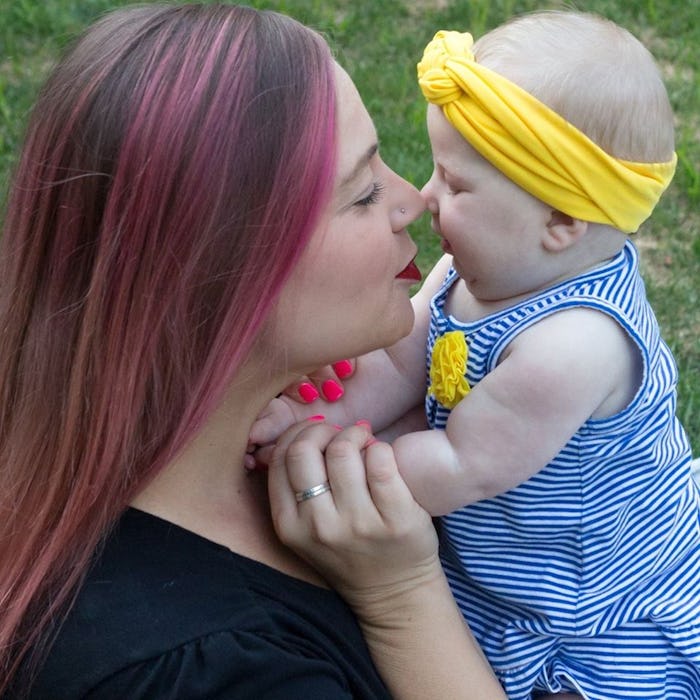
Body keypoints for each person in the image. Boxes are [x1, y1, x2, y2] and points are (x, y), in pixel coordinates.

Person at [0, 4, 507, 698]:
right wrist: (402, 598)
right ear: (230, 280)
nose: (411, 200)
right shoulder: (208, 674)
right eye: (362, 194)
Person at [251, 10, 700, 699]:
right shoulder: (473, 272)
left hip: (586, 603)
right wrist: (320, 416)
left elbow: (462, 463)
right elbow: (403, 366)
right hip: (502, 554)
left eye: (456, 186)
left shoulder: (573, 345)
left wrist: (330, 462)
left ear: (560, 222)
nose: (426, 198)